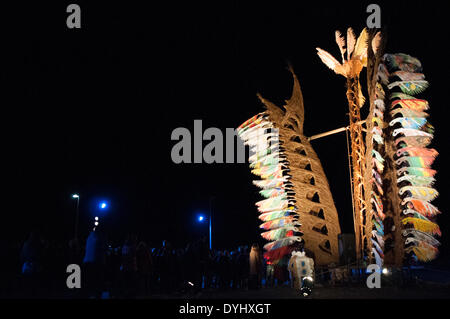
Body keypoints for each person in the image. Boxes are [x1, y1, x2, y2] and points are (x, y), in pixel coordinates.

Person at [82, 227, 107, 298]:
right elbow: (103, 249)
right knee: (98, 282)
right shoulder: (100, 237)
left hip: (87, 262)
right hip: (96, 262)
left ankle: (87, 294)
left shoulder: (89, 237)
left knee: (88, 282)